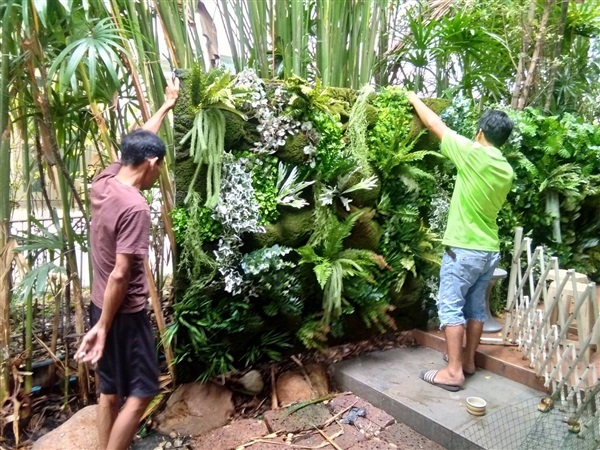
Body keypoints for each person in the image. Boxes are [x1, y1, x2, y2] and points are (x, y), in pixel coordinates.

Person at [75, 77, 179, 450]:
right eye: (159, 166)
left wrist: (166, 107)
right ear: (152, 164)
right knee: (143, 391)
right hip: (125, 314)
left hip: (99, 303)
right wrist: (103, 327)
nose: (158, 172)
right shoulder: (136, 206)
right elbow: (122, 271)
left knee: (110, 391)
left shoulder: (103, 181)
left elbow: (138, 142)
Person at [406, 92, 514, 392]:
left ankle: (453, 372)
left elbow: (434, 124)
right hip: (489, 250)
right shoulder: (506, 170)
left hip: (463, 249)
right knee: (476, 308)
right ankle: (467, 361)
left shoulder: (472, 153)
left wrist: (414, 98)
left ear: (480, 132)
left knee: (450, 307)